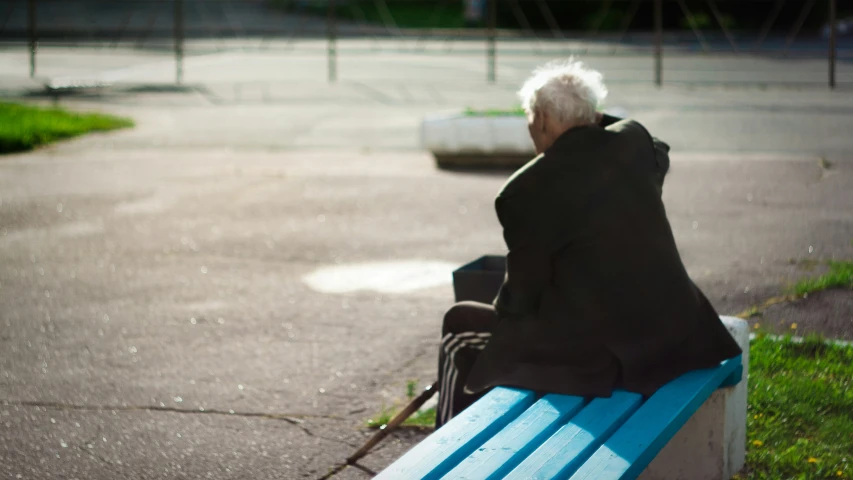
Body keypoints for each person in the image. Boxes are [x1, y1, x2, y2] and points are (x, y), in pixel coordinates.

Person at [435, 59, 742, 428]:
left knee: (459, 326)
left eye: (531, 117)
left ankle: (448, 443)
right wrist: (585, 113)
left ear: (543, 120)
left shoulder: (524, 190)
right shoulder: (636, 145)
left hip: (607, 358)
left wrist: (503, 308)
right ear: (595, 115)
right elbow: (651, 146)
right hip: (674, 335)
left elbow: (521, 297)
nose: (530, 127)